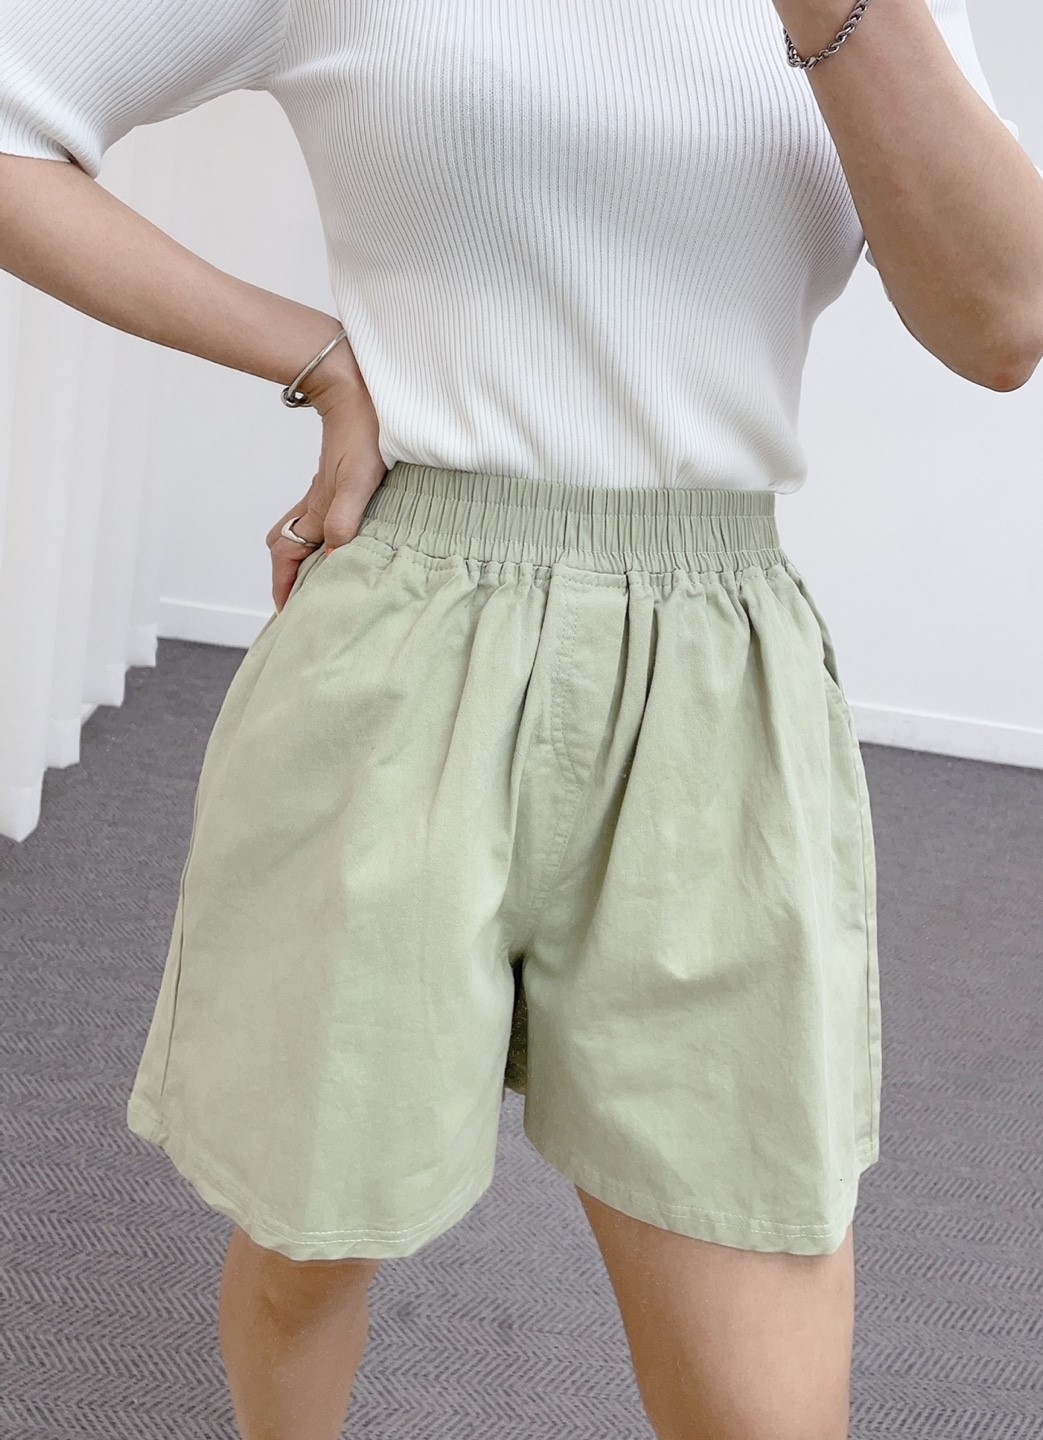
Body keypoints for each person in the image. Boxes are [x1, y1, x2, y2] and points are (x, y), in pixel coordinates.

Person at [2, 1, 1041, 1436]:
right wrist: (314, 354)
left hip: (714, 686)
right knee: (308, 1250)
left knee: (764, 1376)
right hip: (404, 654)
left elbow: (1003, 321)